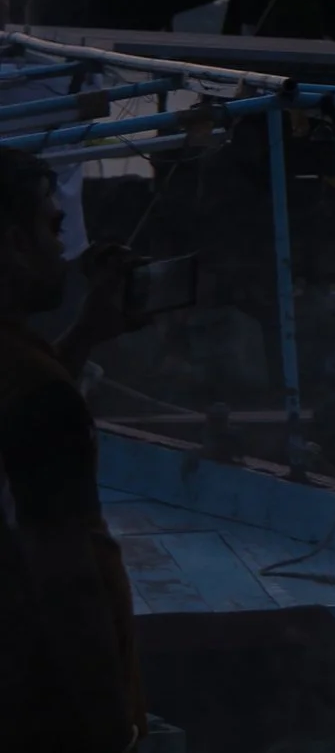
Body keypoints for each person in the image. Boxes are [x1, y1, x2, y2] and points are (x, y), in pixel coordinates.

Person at [0, 145, 147, 751]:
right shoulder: (36, 392)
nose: (64, 248)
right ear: (13, 240)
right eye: (52, 227)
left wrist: (85, 332)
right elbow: (68, 582)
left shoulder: (21, 369)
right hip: (40, 707)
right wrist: (114, 734)